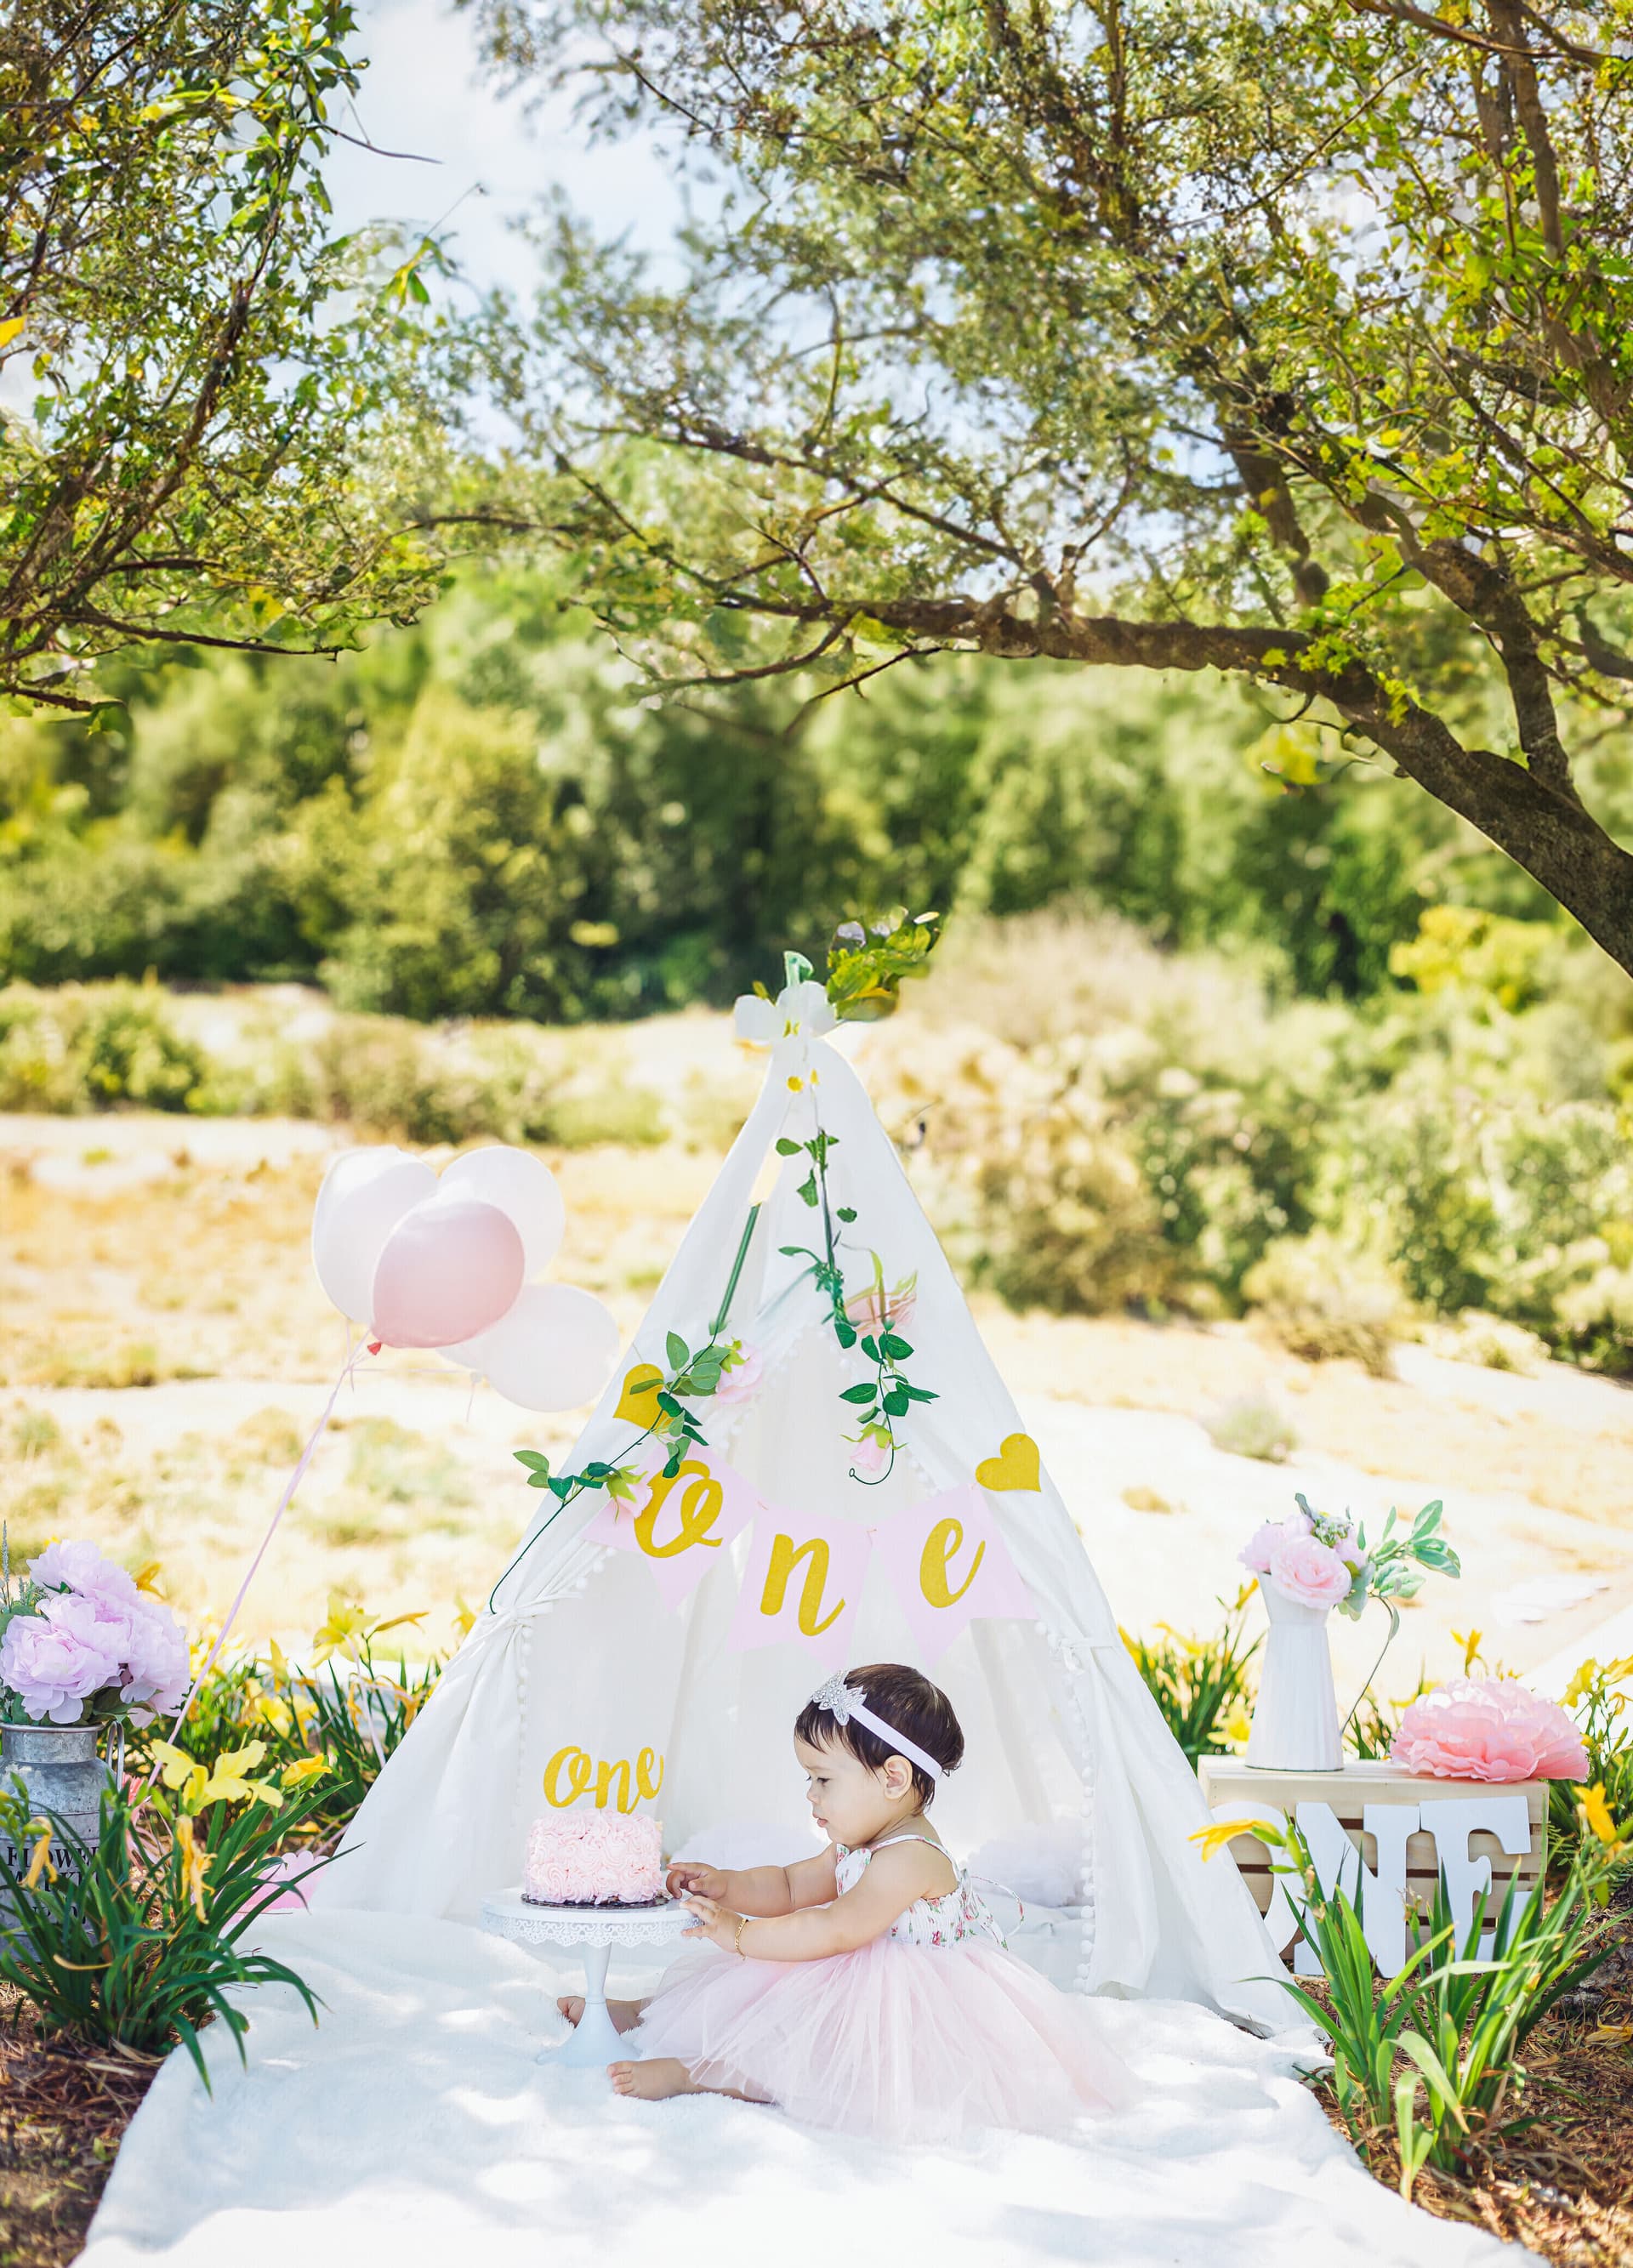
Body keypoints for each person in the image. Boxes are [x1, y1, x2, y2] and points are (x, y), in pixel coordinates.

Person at [557, 1662, 1132, 2143]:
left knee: (798, 2053)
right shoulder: (859, 1839)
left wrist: (738, 1933)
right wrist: (727, 1885)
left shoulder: (910, 1857)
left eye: (823, 1779)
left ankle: (696, 2072)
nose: (810, 1794)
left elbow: (835, 1927)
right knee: (743, 1982)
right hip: (851, 1962)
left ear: (893, 1777)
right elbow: (789, 1885)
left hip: (909, 2003)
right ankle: (642, 2008)